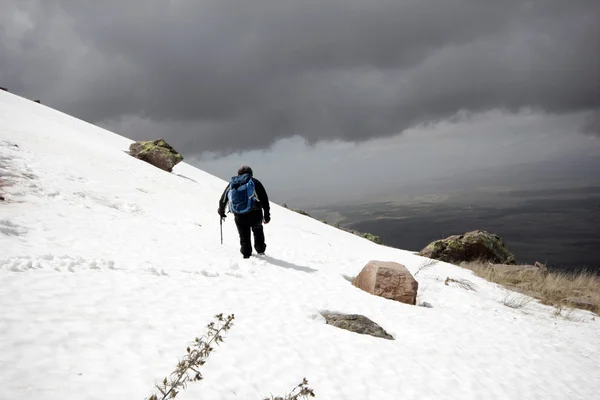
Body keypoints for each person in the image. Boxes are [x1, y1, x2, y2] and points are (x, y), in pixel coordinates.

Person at [218, 166, 271, 258]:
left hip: (239, 215)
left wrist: (221, 211)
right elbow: (265, 200)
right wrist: (267, 216)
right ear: (251, 173)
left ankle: (246, 254)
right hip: (255, 213)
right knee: (258, 230)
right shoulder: (255, 182)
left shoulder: (232, 183)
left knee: (244, 236)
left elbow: (223, 199)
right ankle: (260, 250)